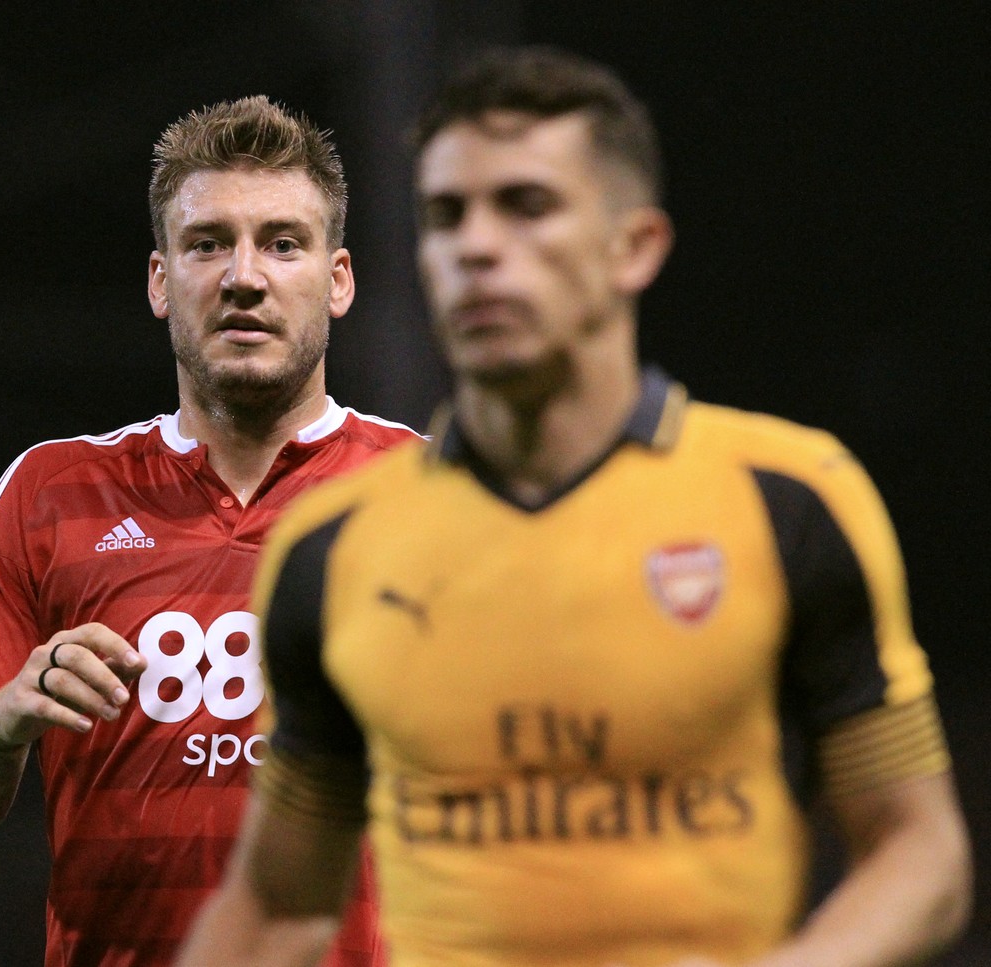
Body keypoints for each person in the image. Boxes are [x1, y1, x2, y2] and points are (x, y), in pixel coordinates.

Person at [176, 47, 973, 967]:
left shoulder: (787, 499)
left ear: (635, 247)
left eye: (527, 206)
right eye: (446, 215)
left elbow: (921, 851)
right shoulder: (334, 549)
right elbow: (276, 906)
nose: (476, 245)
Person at [0, 95, 418, 966]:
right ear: (159, 279)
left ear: (338, 279)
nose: (243, 275)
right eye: (208, 243)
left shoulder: (435, 495)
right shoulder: (50, 491)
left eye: (282, 243)